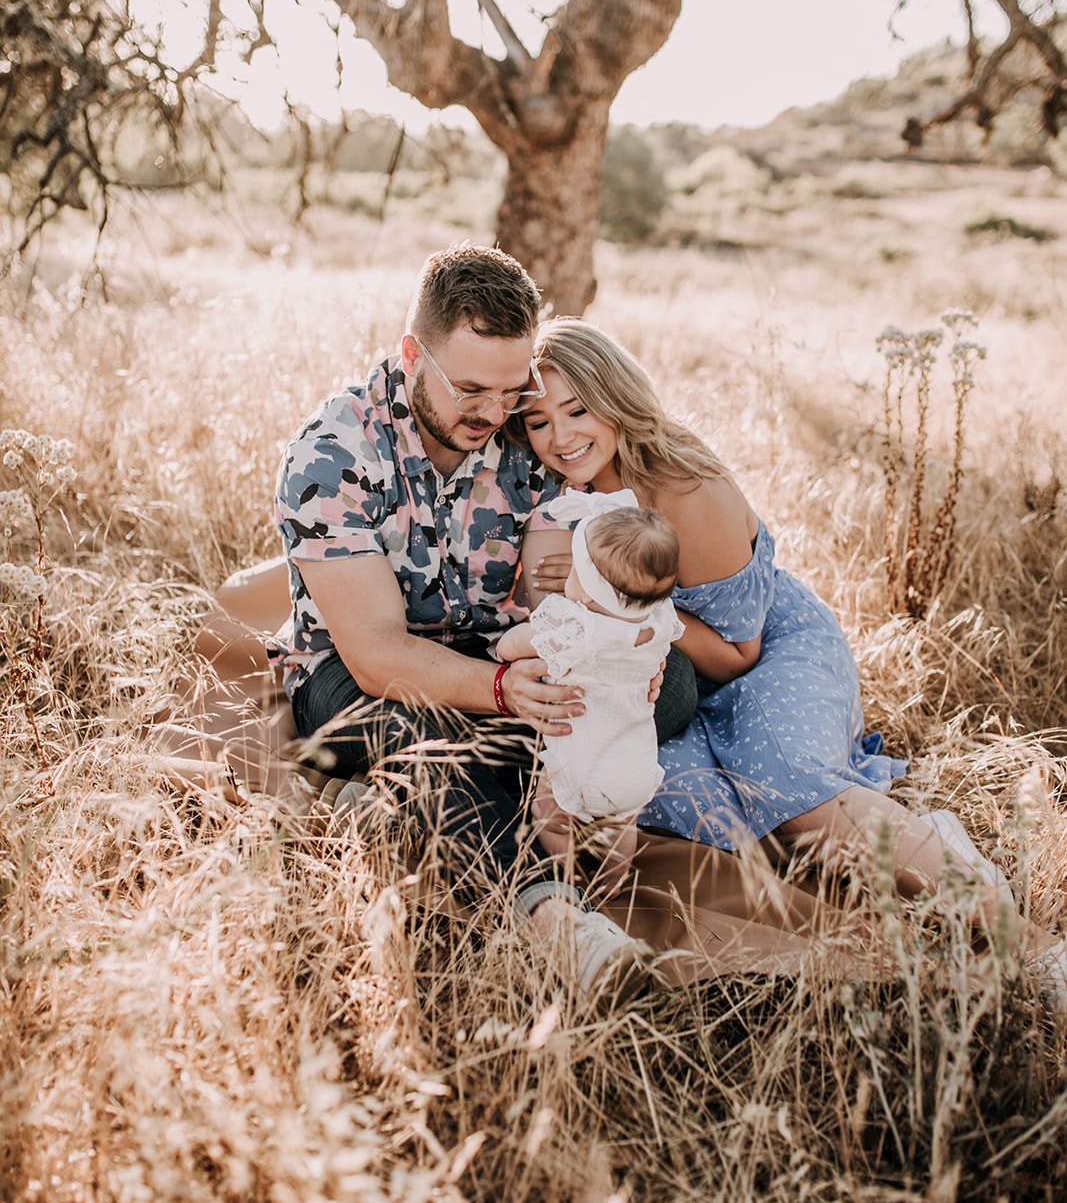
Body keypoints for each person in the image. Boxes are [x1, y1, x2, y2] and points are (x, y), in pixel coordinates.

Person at [513, 318, 1067, 1003]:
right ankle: (906, 876)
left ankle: (1026, 943)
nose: (560, 437)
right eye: (538, 422)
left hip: (760, 648)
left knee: (783, 782)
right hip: (656, 667)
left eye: (577, 410)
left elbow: (735, 654)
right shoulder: (553, 495)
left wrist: (639, 615)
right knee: (679, 803)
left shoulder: (689, 491)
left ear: (616, 397)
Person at [268, 243, 699, 1003]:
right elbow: (372, 655)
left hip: (500, 651)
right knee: (411, 731)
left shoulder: (522, 433)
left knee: (671, 690)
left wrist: (611, 648)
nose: (496, 414)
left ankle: (397, 808)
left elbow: (563, 586)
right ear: (411, 354)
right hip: (360, 679)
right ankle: (559, 924)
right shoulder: (333, 452)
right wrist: (502, 692)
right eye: (470, 389)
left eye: (511, 391)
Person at [496, 489, 683, 887]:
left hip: (580, 763)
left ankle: (568, 879)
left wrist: (509, 643)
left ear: (586, 588)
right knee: (620, 830)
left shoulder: (577, 629)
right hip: (634, 764)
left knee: (551, 818)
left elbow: (514, 645)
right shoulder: (659, 622)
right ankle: (612, 884)